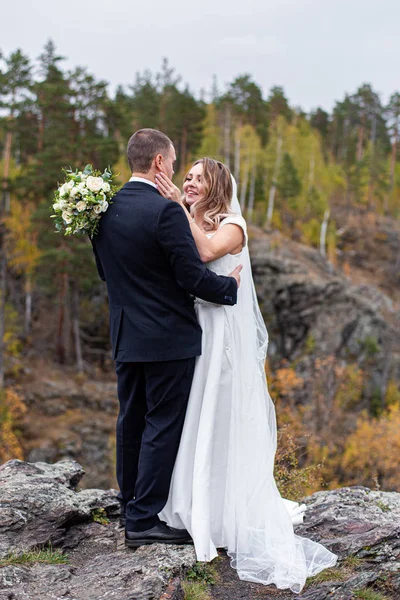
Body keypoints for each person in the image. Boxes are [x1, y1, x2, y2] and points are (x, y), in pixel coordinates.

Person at [155, 158, 338, 593]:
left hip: (220, 335)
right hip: (190, 328)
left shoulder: (233, 225)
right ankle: (188, 503)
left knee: (218, 415)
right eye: (187, 178)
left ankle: (222, 513)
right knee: (190, 416)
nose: (189, 183)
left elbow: (204, 253)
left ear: (217, 186)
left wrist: (179, 210)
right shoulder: (184, 219)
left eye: (198, 179)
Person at [91, 130, 243, 548]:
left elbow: (108, 272)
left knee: (131, 420)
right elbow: (191, 276)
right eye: (174, 161)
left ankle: (129, 503)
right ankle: (142, 520)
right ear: (159, 162)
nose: (176, 169)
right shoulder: (166, 212)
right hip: (168, 337)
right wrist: (229, 289)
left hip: (125, 334)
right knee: (161, 423)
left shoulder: (102, 208)